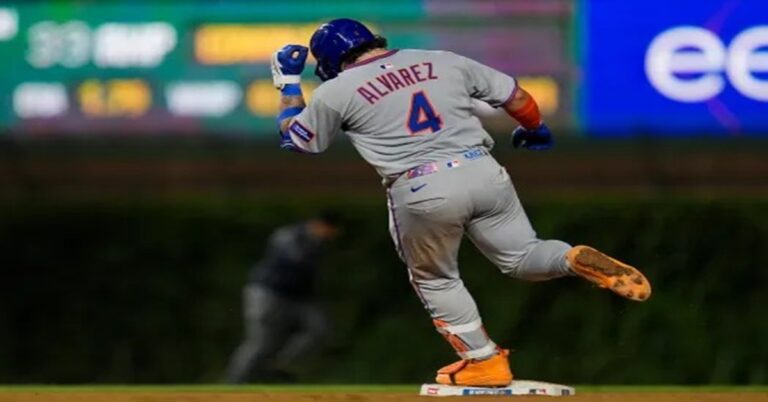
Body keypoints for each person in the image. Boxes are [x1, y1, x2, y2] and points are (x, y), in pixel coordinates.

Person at [269, 19, 652, 387]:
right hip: (483, 169)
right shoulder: (442, 58)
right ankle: (570, 258)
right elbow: (516, 96)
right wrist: (534, 128)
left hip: (422, 186)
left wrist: (287, 81)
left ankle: (484, 361)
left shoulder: (338, 90)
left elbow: (298, 140)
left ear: (332, 59)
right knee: (522, 256)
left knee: (435, 278)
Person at [225, 212, 341, 383]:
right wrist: (315, 242)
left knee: (319, 327)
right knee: (261, 342)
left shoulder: (320, 243)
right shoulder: (289, 235)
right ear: (320, 225)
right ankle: (234, 383)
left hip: (297, 297)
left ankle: (281, 365)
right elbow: (295, 260)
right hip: (267, 293)